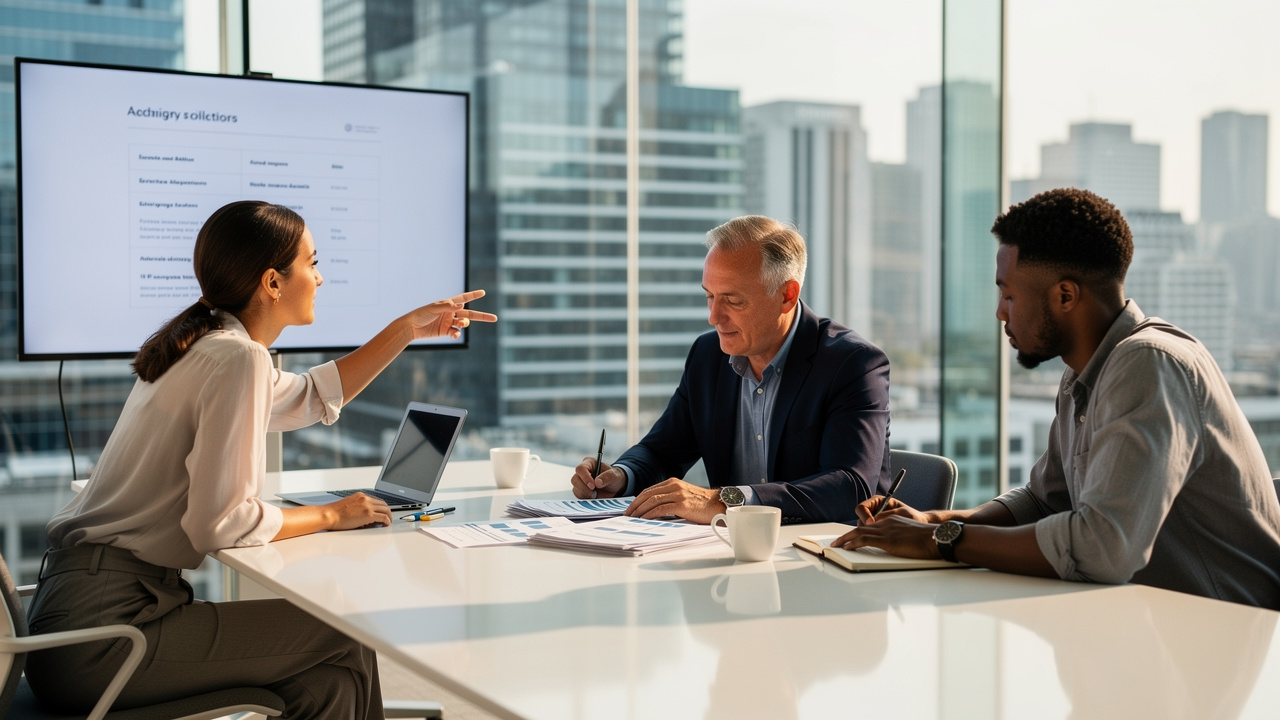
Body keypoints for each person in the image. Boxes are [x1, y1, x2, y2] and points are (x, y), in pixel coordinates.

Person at [25, 200, 496, 717]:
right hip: (109, 637)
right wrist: (331, 514)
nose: (320, 278)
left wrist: (406, 329)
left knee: (327, 682)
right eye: (312, 263)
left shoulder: (205, 347)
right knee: (345, 629)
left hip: (74, 623)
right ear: (273, 282)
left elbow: (312, 397)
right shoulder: (237, 356)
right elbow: (221, 524)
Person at [834, 188, 1280, 609]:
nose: (1000, 312)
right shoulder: (1081, 375)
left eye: (1009, 294)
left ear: (1065, 295)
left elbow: (1104, 547)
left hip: (1225, 632)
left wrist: (940, 541)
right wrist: (933, 522)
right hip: (1141, 626)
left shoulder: (1149, 364)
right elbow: (1045, 501)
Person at [571, 215, 892, 524]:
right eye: (709, 296)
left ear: (787, 295)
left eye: (733, 300)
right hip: (728, 547)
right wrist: (621, 476)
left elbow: (850, 486)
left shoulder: (853, 363)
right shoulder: (707, 355)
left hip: (823, 549)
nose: (714, 316)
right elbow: (662, 451)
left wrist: (726, 501)